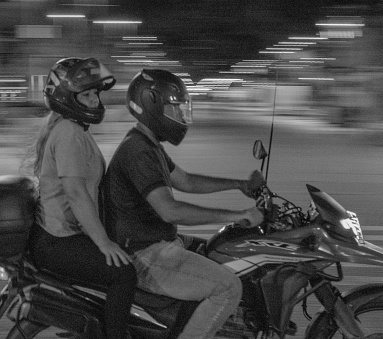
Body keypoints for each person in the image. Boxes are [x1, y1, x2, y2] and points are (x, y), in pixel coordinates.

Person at [103, 69, 265, 339]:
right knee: (228, 287)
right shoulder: (138, 151)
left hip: (155, 243)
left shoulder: (148, 144)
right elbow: (170, 211)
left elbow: (186, 181)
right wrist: (237, 215)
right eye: (175, 108)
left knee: (220, 251)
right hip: (145, 256)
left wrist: (240, 185)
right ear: (152, 105)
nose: (180, 116)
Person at [22, 57, 137, 339]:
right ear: (66, 98)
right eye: (86, 94)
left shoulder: (70, 128)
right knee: (124, 273)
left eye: (95, 93)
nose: (95, 100)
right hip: (57, 240)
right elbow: (75, 193)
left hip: (61, 234)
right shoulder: (69, 133)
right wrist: (103, 242)